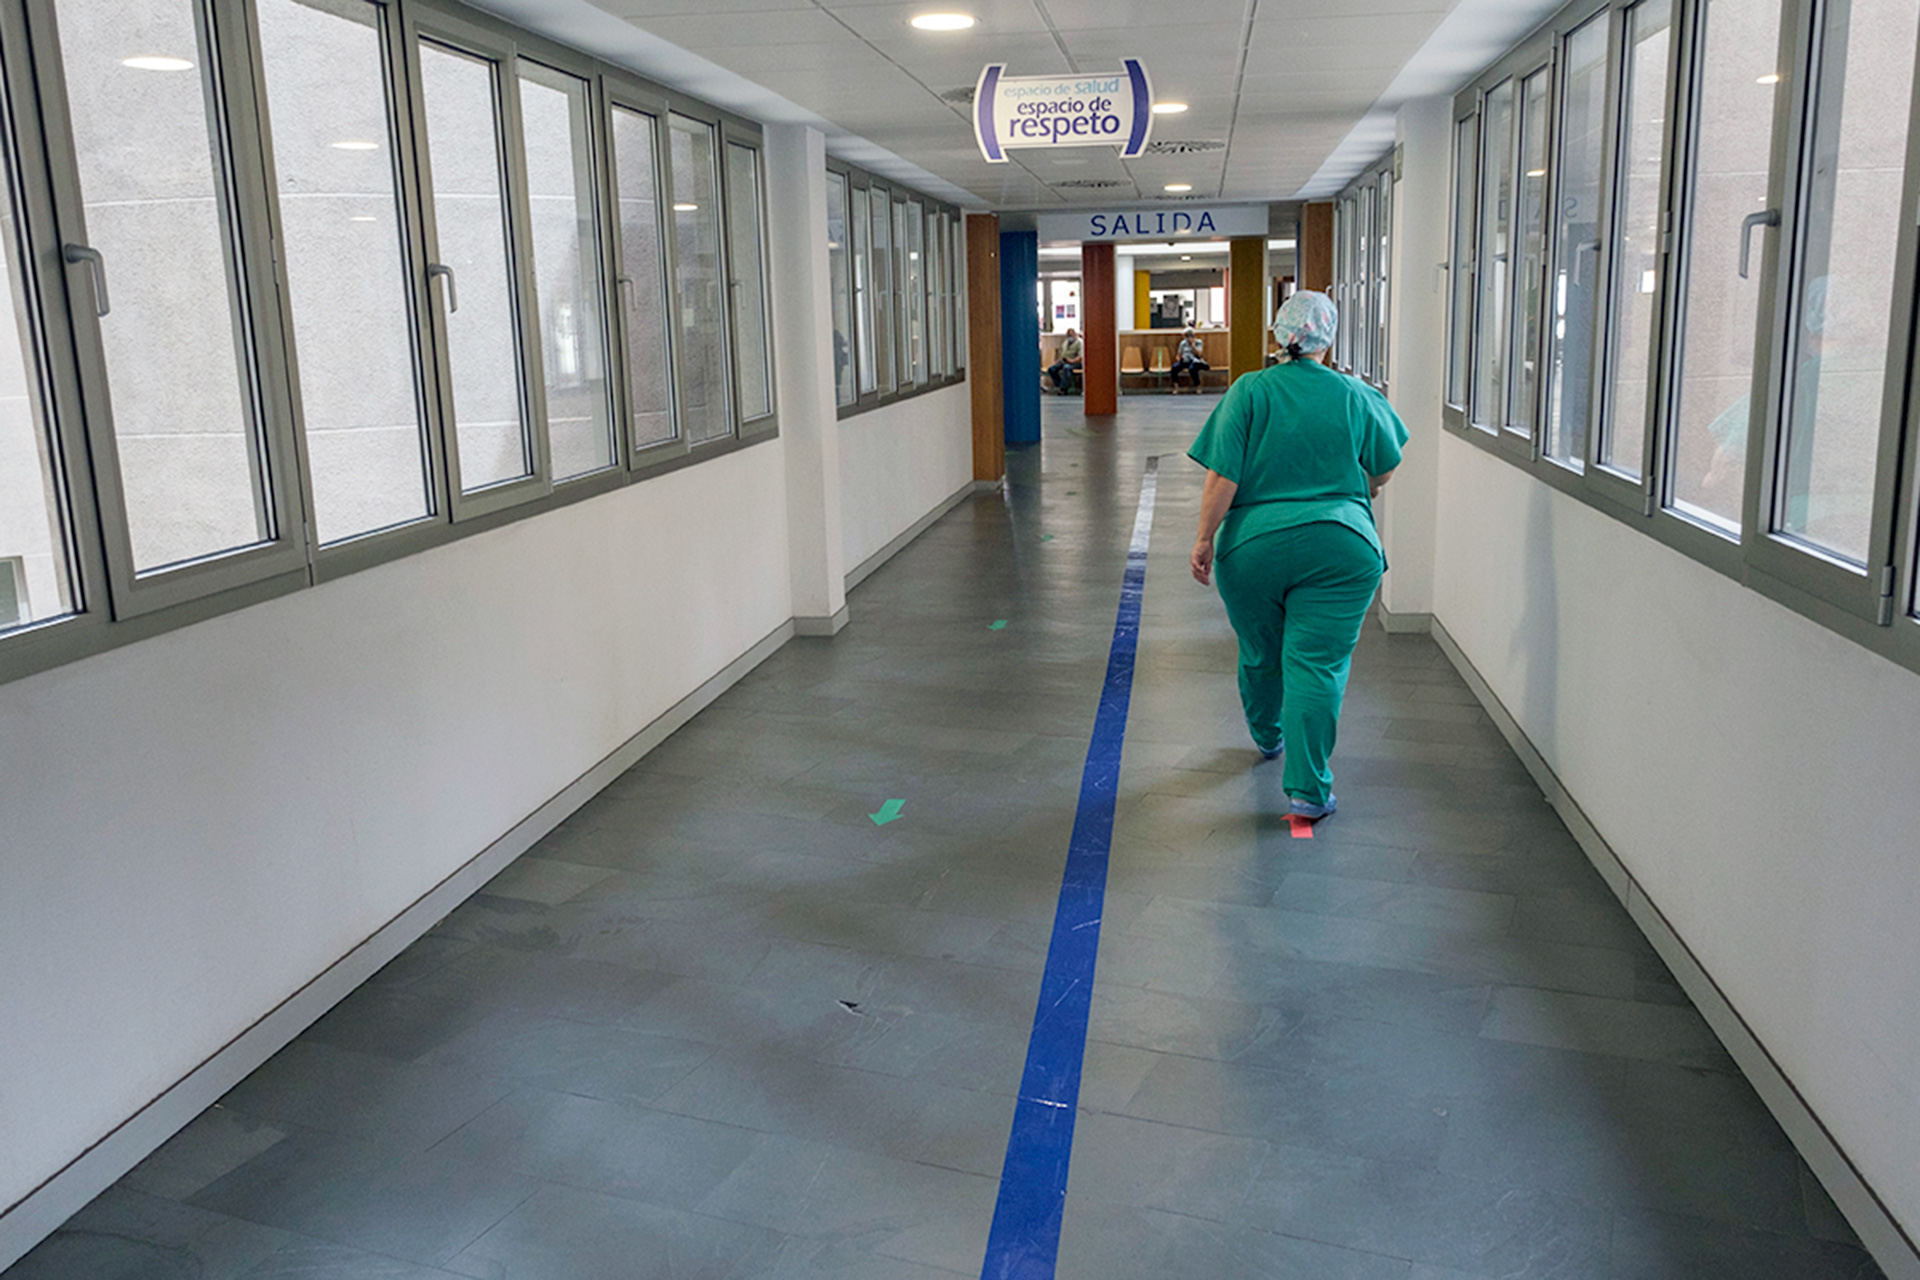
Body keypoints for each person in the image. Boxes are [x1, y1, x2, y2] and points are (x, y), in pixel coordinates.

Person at [1187, 291, 1407, 820]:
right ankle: (1309, 790)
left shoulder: (1249, 392)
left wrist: (1202, 539)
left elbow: (1223, 476)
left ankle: (1267, 737)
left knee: (1262, 651)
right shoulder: (1356, 395)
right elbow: (1384, 466)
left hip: (1252, 547)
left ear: (1277, 335)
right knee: (1317, 664)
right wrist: (1364, 489)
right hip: (1341, 545)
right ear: (1327, 340)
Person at [1171, 326, 1209, 392]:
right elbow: (1178, 354)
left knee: (1192, 369)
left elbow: (1199, 354)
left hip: (1194, 361)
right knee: (1174, 368)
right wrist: (1179, 359)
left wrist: (1193, 345)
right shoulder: (1183, 343)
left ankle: (1198, 386)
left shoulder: (1198, 342)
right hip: (1185, 360)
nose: (1186, 338)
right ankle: (1176, 387)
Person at [1048, 328, 1084, 393]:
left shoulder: (1080, 343)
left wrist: (1071, 361)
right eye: (1068, 335)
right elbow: (1062, 353)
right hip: (1065, 361)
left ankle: (1063, 389)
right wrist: (1058, 360)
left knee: (1066, 368)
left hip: (1076, 363)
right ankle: (1059, 385)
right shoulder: (1066, 342)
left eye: (1071, 335)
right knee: (1051, 369)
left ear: (1075, 334)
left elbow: (1080, 357)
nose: (1069, 337)